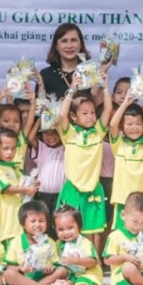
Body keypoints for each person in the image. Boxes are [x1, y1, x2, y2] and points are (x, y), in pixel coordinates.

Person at [58, 88, 115, 247]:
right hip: (73, 189)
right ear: (74, 117)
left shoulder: (98, 132)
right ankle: (70, 258)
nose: (90, 116)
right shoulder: (69, 133)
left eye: (92, 112)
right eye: (84, 113)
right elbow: (62, 115)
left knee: (92, 231)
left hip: (92, 188)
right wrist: (71, 90)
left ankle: (92, 259)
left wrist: (105, 87)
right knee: (70, 228)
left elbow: (108, 110)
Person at [5, 201, 61, 285]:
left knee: (63, 271)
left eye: (41, 221)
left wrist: (51, 268)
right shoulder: (15, 242)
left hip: (44, 278)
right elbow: (9, 267)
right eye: (33, 221)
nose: (37, 224)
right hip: (23, 279)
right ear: (23, 224)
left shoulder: (50, 242)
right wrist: (20, 268)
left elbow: (56, 265)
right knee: (8, 274)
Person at [51, 204, 103, 285]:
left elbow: (93, 262)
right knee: (68, 282)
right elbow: (55, 261)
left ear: (79, 226)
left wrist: (76, 260)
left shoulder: (84, 242)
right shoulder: (58, 244)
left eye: (70, 228)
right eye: (61, 229)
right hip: (72, 275)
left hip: (88, 273)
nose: (66, 232)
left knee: (82, 284)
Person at [38, 22, 93, 97]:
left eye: (73, 40)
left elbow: (99, 103)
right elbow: (39, 103)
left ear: (80, 44)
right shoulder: (46, 75)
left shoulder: (90, 72)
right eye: (64, 41)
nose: (69, 46)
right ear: (56, 46)